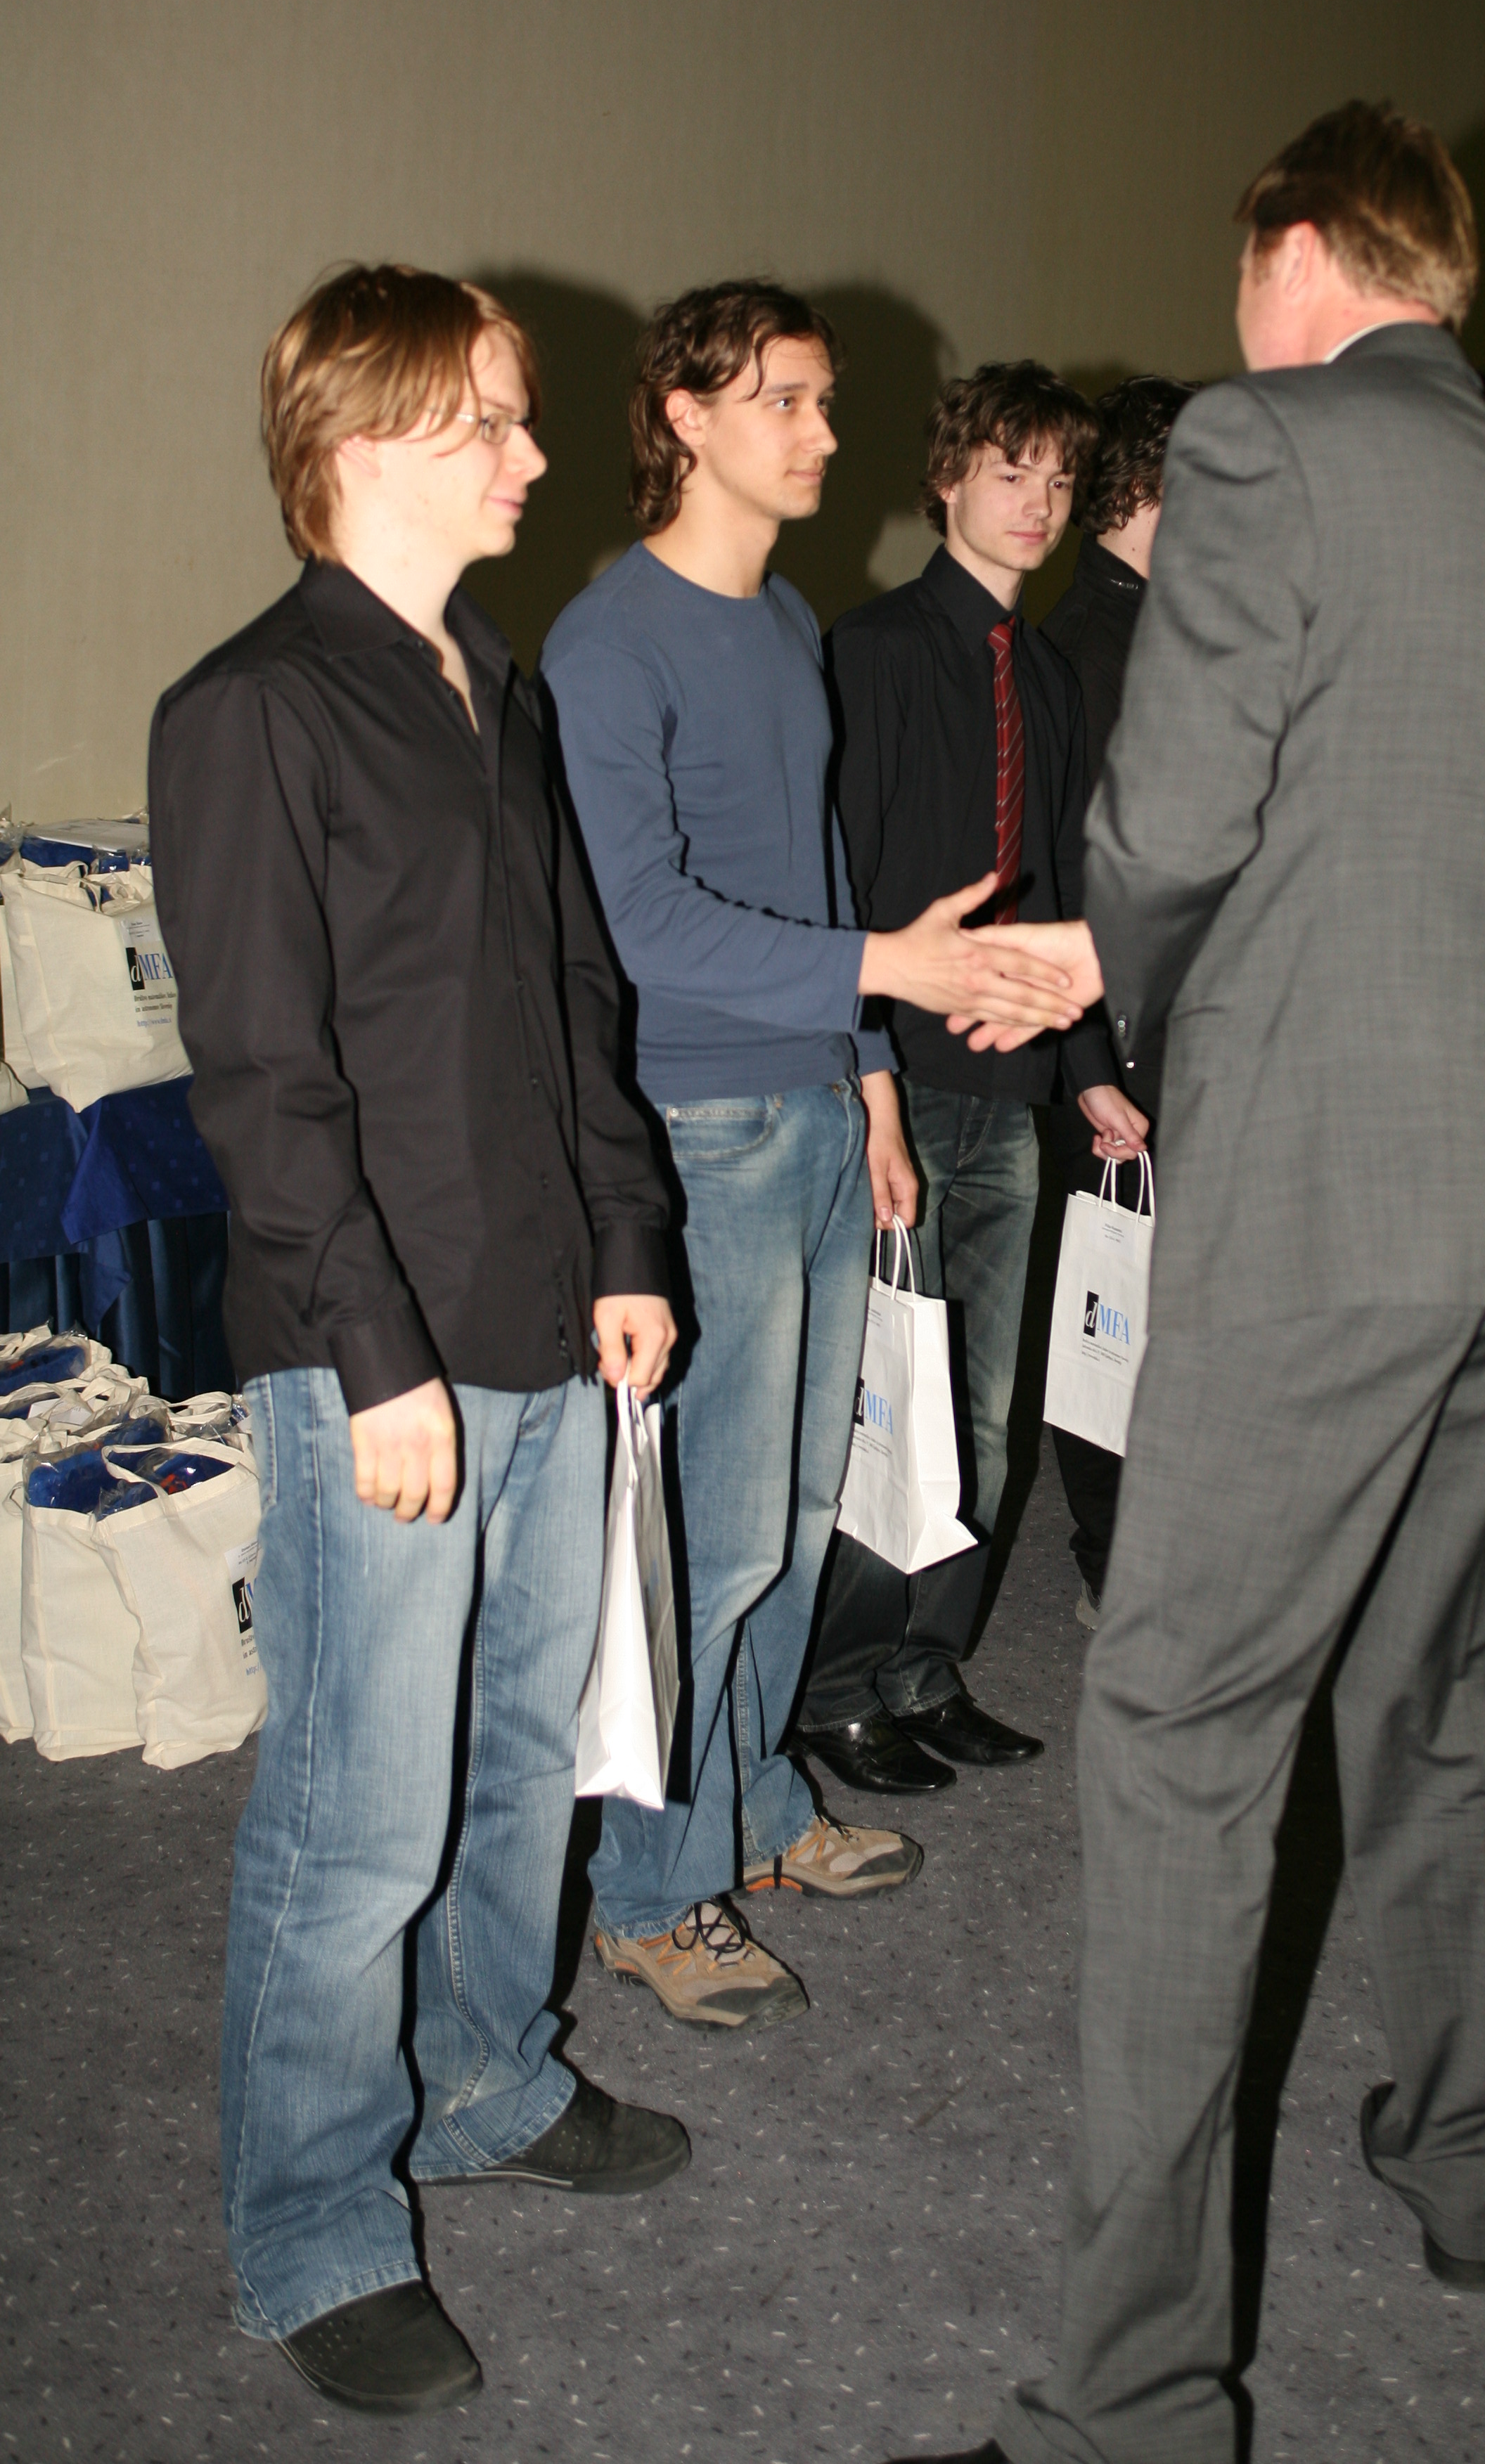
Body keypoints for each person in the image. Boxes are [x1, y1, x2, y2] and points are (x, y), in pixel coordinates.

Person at [891, 98, 1485, 2464]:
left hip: (1318, 1203)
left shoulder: (1265, 443)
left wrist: (1091, 948)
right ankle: (1466, 2165)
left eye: (1239, 273)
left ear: (1300, 249)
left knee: (1186, 1730)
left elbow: (1182, 814)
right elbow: (1399, 823)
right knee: (1457, 1689)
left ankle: (1130, 2401)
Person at [150, 265, 687, 2420]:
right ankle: (309, 2227)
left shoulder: (498, 688)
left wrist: (628, 1238)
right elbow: (263, 1082)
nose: (536, 456)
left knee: (514, 1756)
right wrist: (376, 1361)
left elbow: (574, 997)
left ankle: (484, 2081)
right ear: (368, 439)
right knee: (356, 1810)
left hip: (548, 1312)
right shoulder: (252, 711)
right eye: (497, 421)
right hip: (375, 1349)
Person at [541, 285, 1080, 2031]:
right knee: (708, 1542)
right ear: (682, 417)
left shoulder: (780, 619)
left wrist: (871, 1087)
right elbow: (641, 922)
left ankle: (758, 1808)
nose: (825, 434)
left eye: (827, 402)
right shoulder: (609, 643)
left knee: (789, 1521)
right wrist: (887, 980)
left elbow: (821, 879)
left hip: (820, 1115)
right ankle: (649, 1891)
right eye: (785, 400)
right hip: (700, 1130)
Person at [797, 363, 1146, 1796]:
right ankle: (837, 1688)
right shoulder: (871, 651)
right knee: (891, 1399)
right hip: (898, 1084)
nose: (1039, 505)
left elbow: (1057, 882)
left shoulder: (1046, 672)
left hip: (1010, 1092)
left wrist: (1089, 1072)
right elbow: (841, 888)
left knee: (987, 1414)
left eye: (1060, 482)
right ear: (947, 480)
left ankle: (924, 1667)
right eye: (1013, 474)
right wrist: (868, 1079)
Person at [1037, 375, 1192, 1625]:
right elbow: (1072, 879)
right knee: (1111, 1301)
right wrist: (1092, 1058)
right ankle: (1117, 1553)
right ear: (1148, 485)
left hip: (1186, 1026)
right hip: (1123, 1041)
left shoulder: (1169, 631)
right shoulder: (1085, 649)